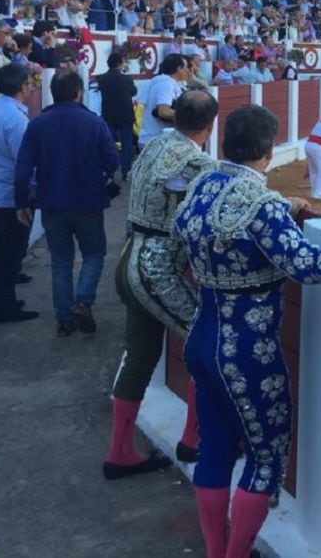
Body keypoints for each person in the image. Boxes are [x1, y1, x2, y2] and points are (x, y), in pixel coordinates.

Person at [175, 105, 321, 558]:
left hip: (201, 338)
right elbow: (307, 264)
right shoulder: (262, 206)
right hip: (246, 350)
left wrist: (283, 206)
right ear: (268, 149)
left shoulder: (203, 185)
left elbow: (204, 227)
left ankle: (214, 551)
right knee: (265, 458)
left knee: (216, 450)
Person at [105, 90, 219, 481]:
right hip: (157, 272)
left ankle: (119, 452)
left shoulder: (151, 147)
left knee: (140, 354)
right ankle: (193, 439)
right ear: (210, 125)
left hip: (127, 261)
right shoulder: (199, 163)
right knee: (207, 342)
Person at [15, 70, 119, 336]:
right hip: (88, 202)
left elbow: (23, 166)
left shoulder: (38, 124)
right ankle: (83, 300)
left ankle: (64, 318)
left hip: (52, 202)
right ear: (78, 92)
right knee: (94, 253)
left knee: (61, 260)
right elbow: (112, 162)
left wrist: (21, 202)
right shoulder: (93, 123)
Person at [0, 64, 39, 323]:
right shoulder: (14, 117)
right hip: (8, 192)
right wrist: (26, 198)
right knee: (9, 252)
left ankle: (6, 301)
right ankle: (4, 306)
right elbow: (23, 163)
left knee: (4, 250)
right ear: (23, 87)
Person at [98, 53, 138, 180]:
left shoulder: (102, 78)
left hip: (109, 114)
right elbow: (134, 92)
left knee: (109, 143)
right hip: (125, 115)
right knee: (126, 144)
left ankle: (109, 172)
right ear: (119, 63)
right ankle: (125, 172)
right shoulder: (126, 79)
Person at [139, 53, 189, 146]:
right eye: (185, 67)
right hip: (157, 142)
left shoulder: (158, 81)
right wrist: (188, 116)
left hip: (153, 140)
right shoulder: (166, 84)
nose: (187, 70)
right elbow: (164, 111)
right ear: (178, 69)